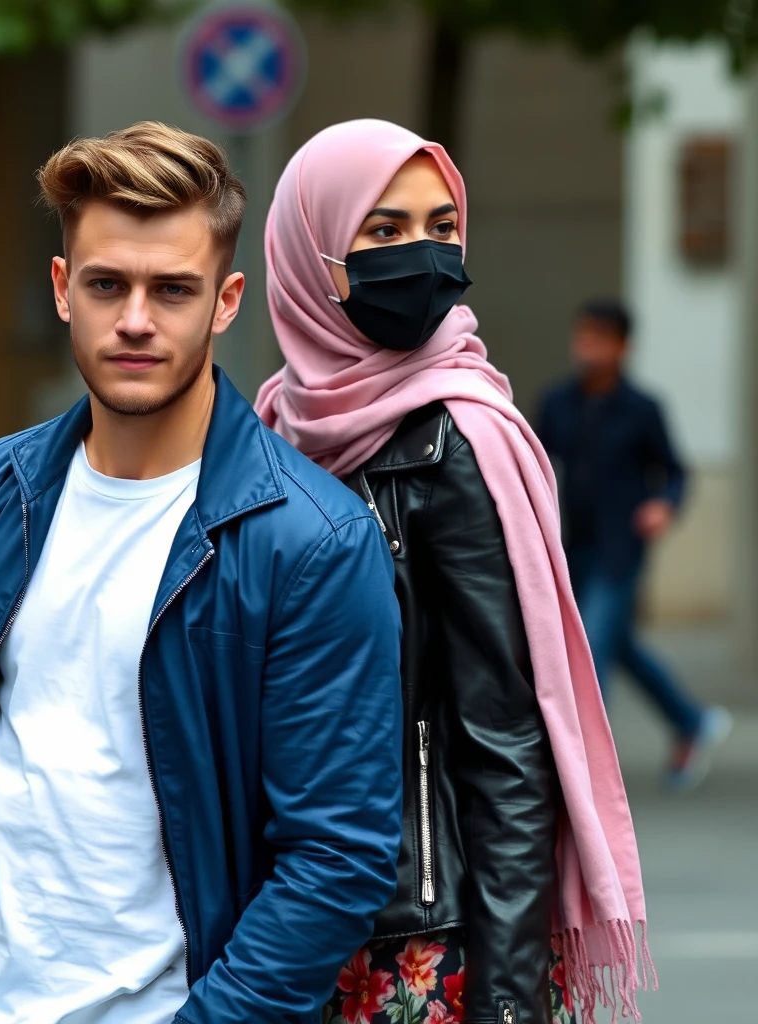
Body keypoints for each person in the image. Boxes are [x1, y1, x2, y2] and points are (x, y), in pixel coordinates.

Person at [0, 121, 405, 1024]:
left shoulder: (314, 542)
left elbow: (337, 858)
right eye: (108, 283)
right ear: (62, 288)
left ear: (227, 301)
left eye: (174, 289)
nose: (137, 321)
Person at [256, 120, 654, 1024]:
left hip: (423, 947)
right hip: (285, 930)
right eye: (386, 231)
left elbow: (507, 747)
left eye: (443, 228)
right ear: (312, 254)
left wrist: (509, 1005)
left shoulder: (458, 441)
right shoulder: (277, 429)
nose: (425, 256)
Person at [537, 300, 732, 790]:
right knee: (618, 645)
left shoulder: (643, 409)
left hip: (620, 549)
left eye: (600, 338)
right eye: (583, 335)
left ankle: (584, 775)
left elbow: (676, 473)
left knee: (594, 649)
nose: (588, 346)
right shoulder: (558, 403)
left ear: (623, 346)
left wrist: (664, 504)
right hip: (570, 546)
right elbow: (533, 465)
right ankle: (690, 721)